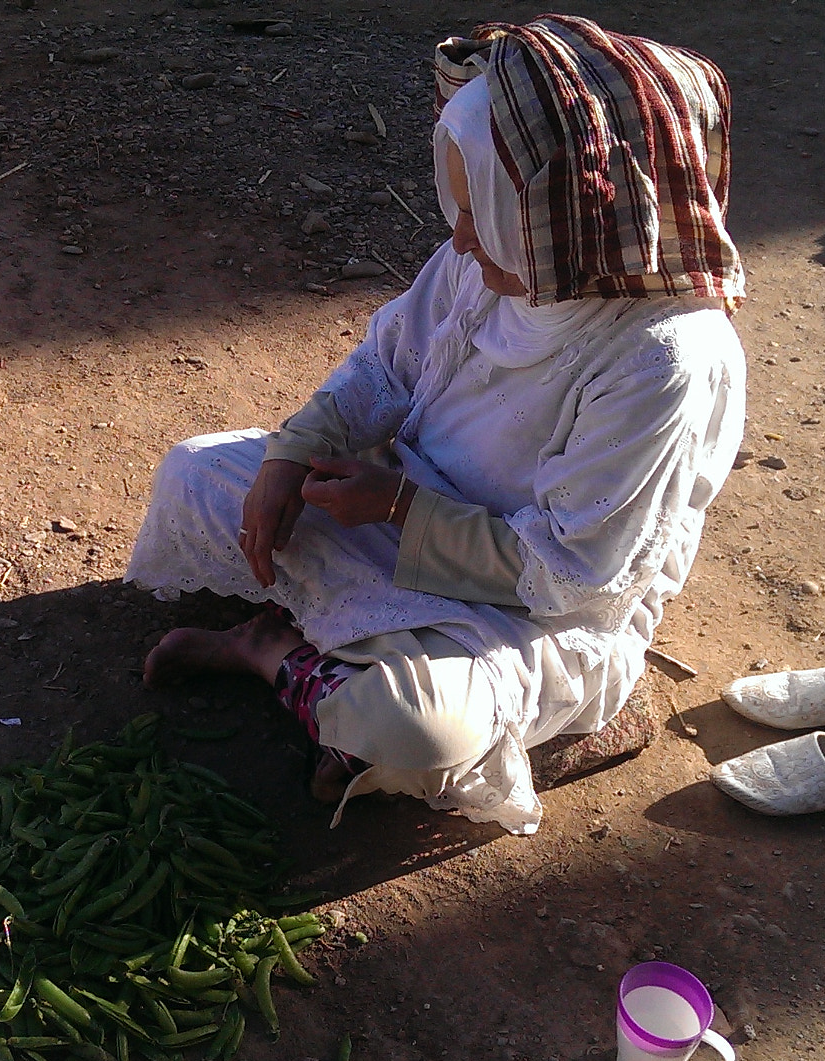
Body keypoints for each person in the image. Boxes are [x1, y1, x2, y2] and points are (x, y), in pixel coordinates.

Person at [125, 15, 746, 834]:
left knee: (414, 723)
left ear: (577, 206)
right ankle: (322, 662)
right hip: (393, 501)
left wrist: (398, 511)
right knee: (195, 474)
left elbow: (575, 578)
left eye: (483, 207)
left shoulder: (662, 359)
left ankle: (270, 650)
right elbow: (387, 367)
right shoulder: (494, 257)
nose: (458, 234)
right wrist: (291, 456)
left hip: (527, 610)